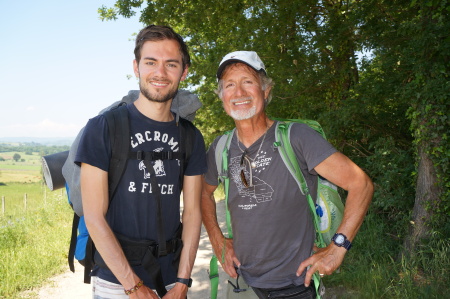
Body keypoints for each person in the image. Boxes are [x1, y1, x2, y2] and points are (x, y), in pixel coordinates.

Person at [201, 51, 374, 299]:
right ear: (222, 97)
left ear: (266, 90)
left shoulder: (296, 137)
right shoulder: (220, 147)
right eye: (230, 85)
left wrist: (337, 248)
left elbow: (361, 184)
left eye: (248, 82)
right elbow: (203, 194)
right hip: (242, 284)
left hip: (295, 285)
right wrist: (218, 241)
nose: (239, 92)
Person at [76, 25, 207, 298]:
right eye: (151, 62)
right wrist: (133, 286)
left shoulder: (190, 137)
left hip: (172, 279)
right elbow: (94, 216)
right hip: (115, 281)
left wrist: (183, 280)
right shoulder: (102, 128)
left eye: (171, 64)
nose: (160, 73)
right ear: (136, 67)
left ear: (184, 72)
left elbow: (193, 212)